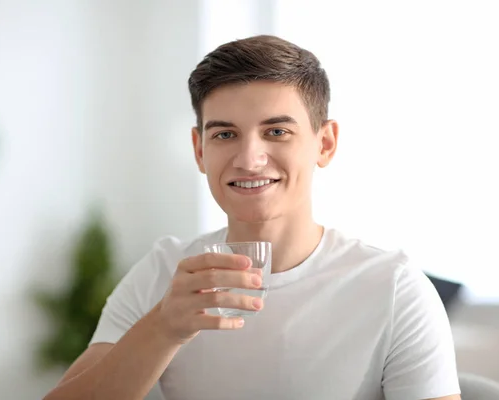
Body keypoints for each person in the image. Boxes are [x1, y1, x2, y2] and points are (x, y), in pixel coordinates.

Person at [44, 35, 461, 400]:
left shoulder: (393, 287)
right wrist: (164, 328)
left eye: (277, 132)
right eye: (225, 134)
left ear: (326, 143)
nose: (249, 159)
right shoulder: (163, 273)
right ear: (199, 150)